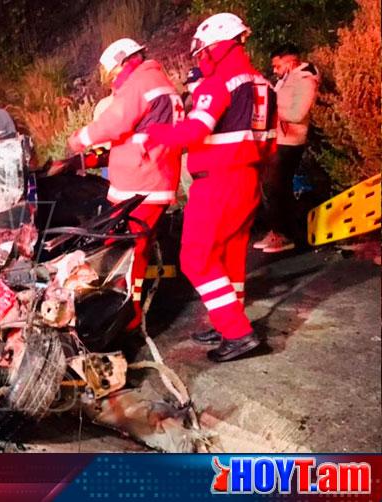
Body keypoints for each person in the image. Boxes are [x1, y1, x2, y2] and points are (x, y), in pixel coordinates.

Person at [142, 13, 277, 362]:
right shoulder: (263, 84)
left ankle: (237, 333)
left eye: (202, 51)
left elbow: (193, 132)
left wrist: (155, 133)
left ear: (216, 47)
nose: (200, 58)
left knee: (196, 259)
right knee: (231, 255)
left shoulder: (219, 82)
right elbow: (272, 142)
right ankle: (227, 319)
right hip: (250, 179)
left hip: (217, 181)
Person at [66, 38, 184, 332]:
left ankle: (124, 314)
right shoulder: (160, 82)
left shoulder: (141, 82)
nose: (112, 80)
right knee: (135, 251)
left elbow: (115, 123)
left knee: (124, 252)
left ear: (122, 62)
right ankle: (129, 307)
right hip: (152, 179)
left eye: (112, 72)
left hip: (141, 184)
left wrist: (79, 140)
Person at [252, 44, 320, 253]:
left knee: (277, 189)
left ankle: (284, 234)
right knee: (274, 188)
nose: (274, 70)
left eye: (277, 65)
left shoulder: (305, 79)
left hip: (290, 142)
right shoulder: (287, 79)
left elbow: (299, 113)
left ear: (289, 60)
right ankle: (278, 231)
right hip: (279, 139)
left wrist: (273, 110)